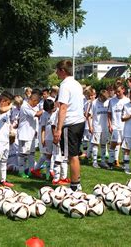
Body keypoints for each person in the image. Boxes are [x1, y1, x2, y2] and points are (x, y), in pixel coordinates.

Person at [53, 60, 86, 192]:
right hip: (80, 122)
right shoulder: (77, 84)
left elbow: (63, 108)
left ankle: (74, 186)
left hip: (70, 123)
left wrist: (58, 129)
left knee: (72, 156)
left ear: (62, 71)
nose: (56, 72)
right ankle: (76, 183)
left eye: (57, 70)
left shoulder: (65, 85)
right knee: (75, 155)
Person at [0, 91, 15, 189]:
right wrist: (12, 104)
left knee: (4, 161)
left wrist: (11, 131)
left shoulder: (7, 111)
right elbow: (2, 110)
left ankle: (3, 180)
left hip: (5, 140)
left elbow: (7, 123)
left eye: (9, 102)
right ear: (3, 101)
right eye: (8, 102)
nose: (9, 104)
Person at [17, 90, 43, 178]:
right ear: (34, 100)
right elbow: (37, 114)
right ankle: (21, 171)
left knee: (31, 154)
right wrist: (46, 109)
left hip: (31, 134)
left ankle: (31, 171)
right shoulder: (25, 106)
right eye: (37, 103)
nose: (37, 105)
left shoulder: (33, 106)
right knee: (23, 154)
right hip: (24, 134)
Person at [107, 83, 130, 169]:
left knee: (124, 145)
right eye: (116, 92)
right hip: (115, 126)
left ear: (123, 90)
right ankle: (110, 162)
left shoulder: (127, 100)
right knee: (113, 144)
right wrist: (109, 125)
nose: (117, 93)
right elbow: (109, 114)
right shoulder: (112, 101)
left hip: (125, 126)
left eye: (119, 91)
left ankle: (124, 162)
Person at [88, 89, 110, 169]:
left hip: (105, 127)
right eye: (104, 98)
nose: (105, 100)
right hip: (96, 127)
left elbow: (109, 115)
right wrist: (90, 126)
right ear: (100, 96)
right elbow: (89, 116)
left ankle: (103, 161)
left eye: (106, 99)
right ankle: (94, 162)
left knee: (104, 145)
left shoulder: (107, 102)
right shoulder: (94, 103)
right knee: (95, 144)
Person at [39, 99, 56, 181]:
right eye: (48, 110)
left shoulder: (57, 113)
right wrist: (42, 138)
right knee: (49, 155)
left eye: (50, 109)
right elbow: (43, 128)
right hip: (48, 138)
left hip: (56, 137)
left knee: (57, 156)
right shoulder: (44, 115)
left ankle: (54, 173)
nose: (49, 111)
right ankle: (48, 175)